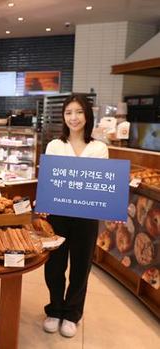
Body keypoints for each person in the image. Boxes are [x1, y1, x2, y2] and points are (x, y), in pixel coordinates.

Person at [42, 94, 108, 338]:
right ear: (63, 117)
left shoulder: (99, 148)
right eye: (69, 112)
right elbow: (48, 180)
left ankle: (71, 314)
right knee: (55, 265)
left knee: (81, 266)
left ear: (87, 115)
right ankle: (55, 309)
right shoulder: (54, 146)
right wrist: (45, 199)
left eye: (79, 112)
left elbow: (101, 184)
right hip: (58, 215)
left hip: (86, 216)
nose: (74, 117)